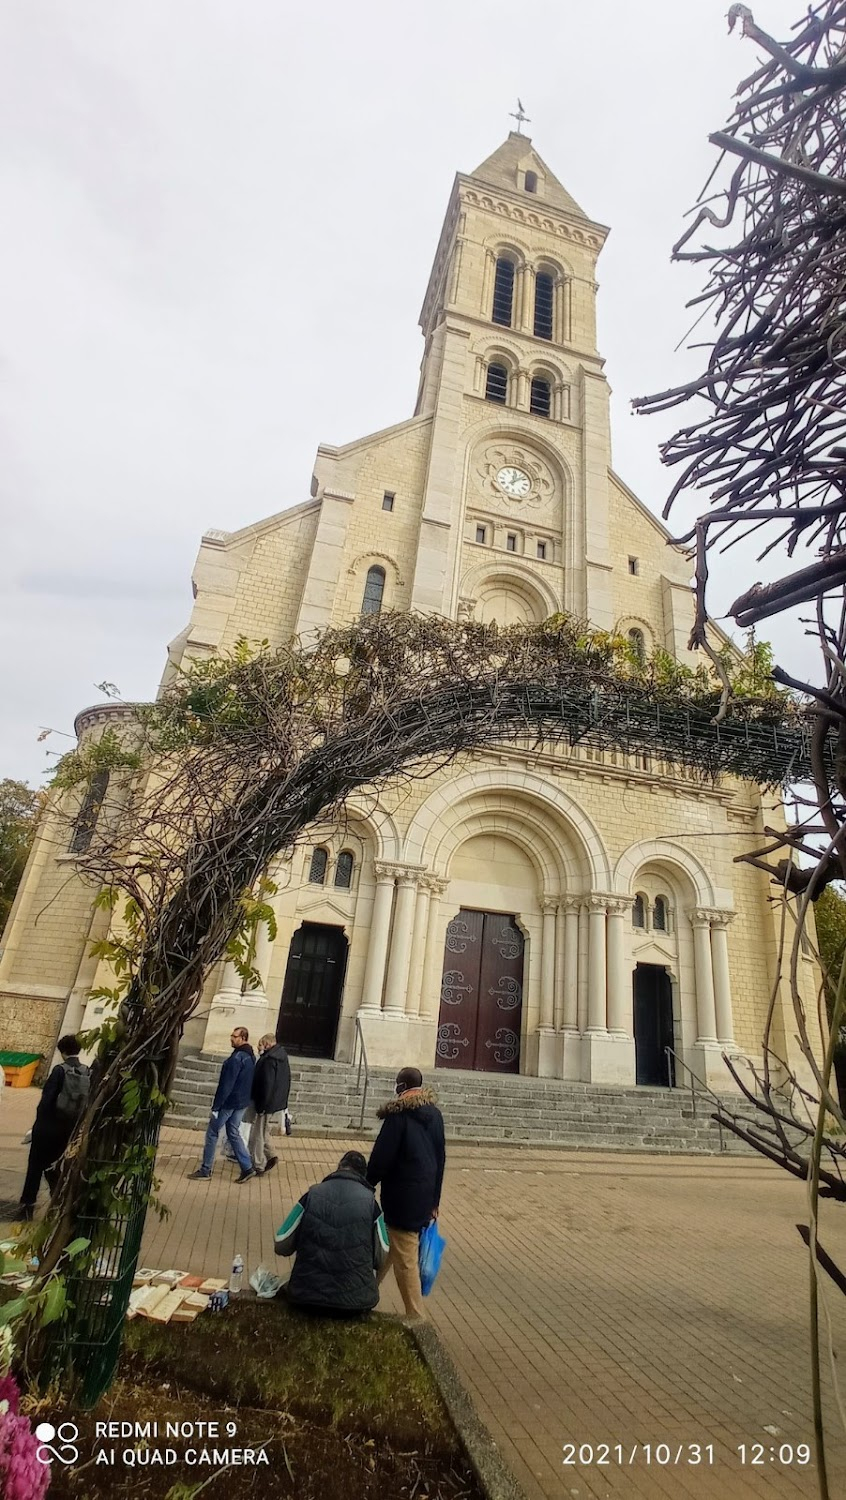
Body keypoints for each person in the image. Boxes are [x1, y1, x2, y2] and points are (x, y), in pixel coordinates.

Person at [366, 1067, 445, 1321]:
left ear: (400, 1087)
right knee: (388, 1246)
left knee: (405, 1257)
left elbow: (382, 1157)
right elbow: (440, 1158)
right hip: (423, 1195)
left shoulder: (398, 1117)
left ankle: (416, 1316)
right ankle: (362, 1294)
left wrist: (366, 1182)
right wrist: (435, 1200)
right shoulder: (434, 1114)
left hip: (402, 1197)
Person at [274, 1150, 388, 1314]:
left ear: (338, 1168)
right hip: (356, 1303)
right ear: (363, 1176)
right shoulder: (372, 1205)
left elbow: (281, 1243)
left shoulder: (311, 1195)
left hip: (306, 1296)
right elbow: (382, 1257)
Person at [19, 1035, 90, 1220]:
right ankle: (58, 1204)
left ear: (62, 1051)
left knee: (35, 1167)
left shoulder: (59, 1071)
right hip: (67, 1129)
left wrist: (37, 1126)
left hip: (47, 1127)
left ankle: (27, 1206)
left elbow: (46, 1102)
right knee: (55, 1167)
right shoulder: (85, 1071)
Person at [188, 1027, 256, 1183]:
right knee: (233, 1131)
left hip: (229, 1102)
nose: (231, 1038)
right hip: (242, 1101)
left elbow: (227, 1085)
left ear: (243, 1037)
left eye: (235, 1036)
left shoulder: (237, 1058)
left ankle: (206, 1169)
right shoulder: (250, 1057)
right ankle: (247, 1167)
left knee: (212, 1132)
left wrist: (217, 1106)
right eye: (231, 1035)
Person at [249, 1032, 291, 1174]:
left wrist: (262, 1106)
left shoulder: (269, 1060)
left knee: (258, 1134)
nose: (259, 1048)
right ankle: (271, 1155)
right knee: (263, 1130)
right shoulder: (281, 1056)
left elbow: (266, 1084)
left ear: (267, 1044)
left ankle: (258, 1164)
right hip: (275, 1102)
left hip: (266, 1102)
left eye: (261, 1045)